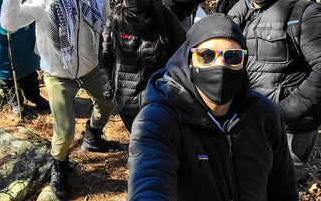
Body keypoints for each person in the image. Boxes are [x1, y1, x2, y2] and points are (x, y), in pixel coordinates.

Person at [127, 13, 297, 200]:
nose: (220, 65)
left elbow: (283, 189)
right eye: (207, 55)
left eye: (232, 57)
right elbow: (149, 180)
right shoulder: (158, 119)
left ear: (244, 63)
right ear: (189, 60)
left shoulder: (265, 115)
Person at [0, 0, 116, 201]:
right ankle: (60, 166)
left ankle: (93, 136)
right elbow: (8, 23)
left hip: (91, 67)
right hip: (57, 73)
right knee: (64, 130)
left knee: (107, 103)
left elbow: (106, 23)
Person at [228, 0, 321, 179]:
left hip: (292, 127)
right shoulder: (235, 17)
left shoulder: (305, 12)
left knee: (280, 184)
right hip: (250, 121)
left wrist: (281, 113)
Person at [99, 0, 185, 132]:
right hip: (126, 100)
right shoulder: (113, 22)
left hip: (157, 98)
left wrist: (173, 88)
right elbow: (105, 58)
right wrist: (109, 89)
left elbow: (181, 51)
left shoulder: (163, 15)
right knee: (137, 139)